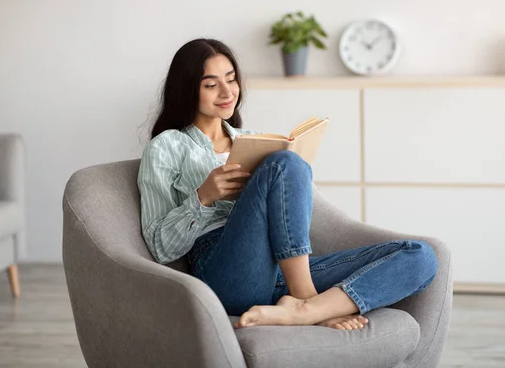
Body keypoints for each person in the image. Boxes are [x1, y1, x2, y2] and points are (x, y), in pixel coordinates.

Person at [138, 38, 438, 330]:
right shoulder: (167, 147)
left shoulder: (253, 139)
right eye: (211, 84)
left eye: (231, 79)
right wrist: (202, 197)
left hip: (283, 270)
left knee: (421, 256)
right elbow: (159, 248)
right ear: (188, 90)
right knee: (286, 163)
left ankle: (304, 310)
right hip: (224, 272)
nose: (227, 91)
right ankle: (306, 299)